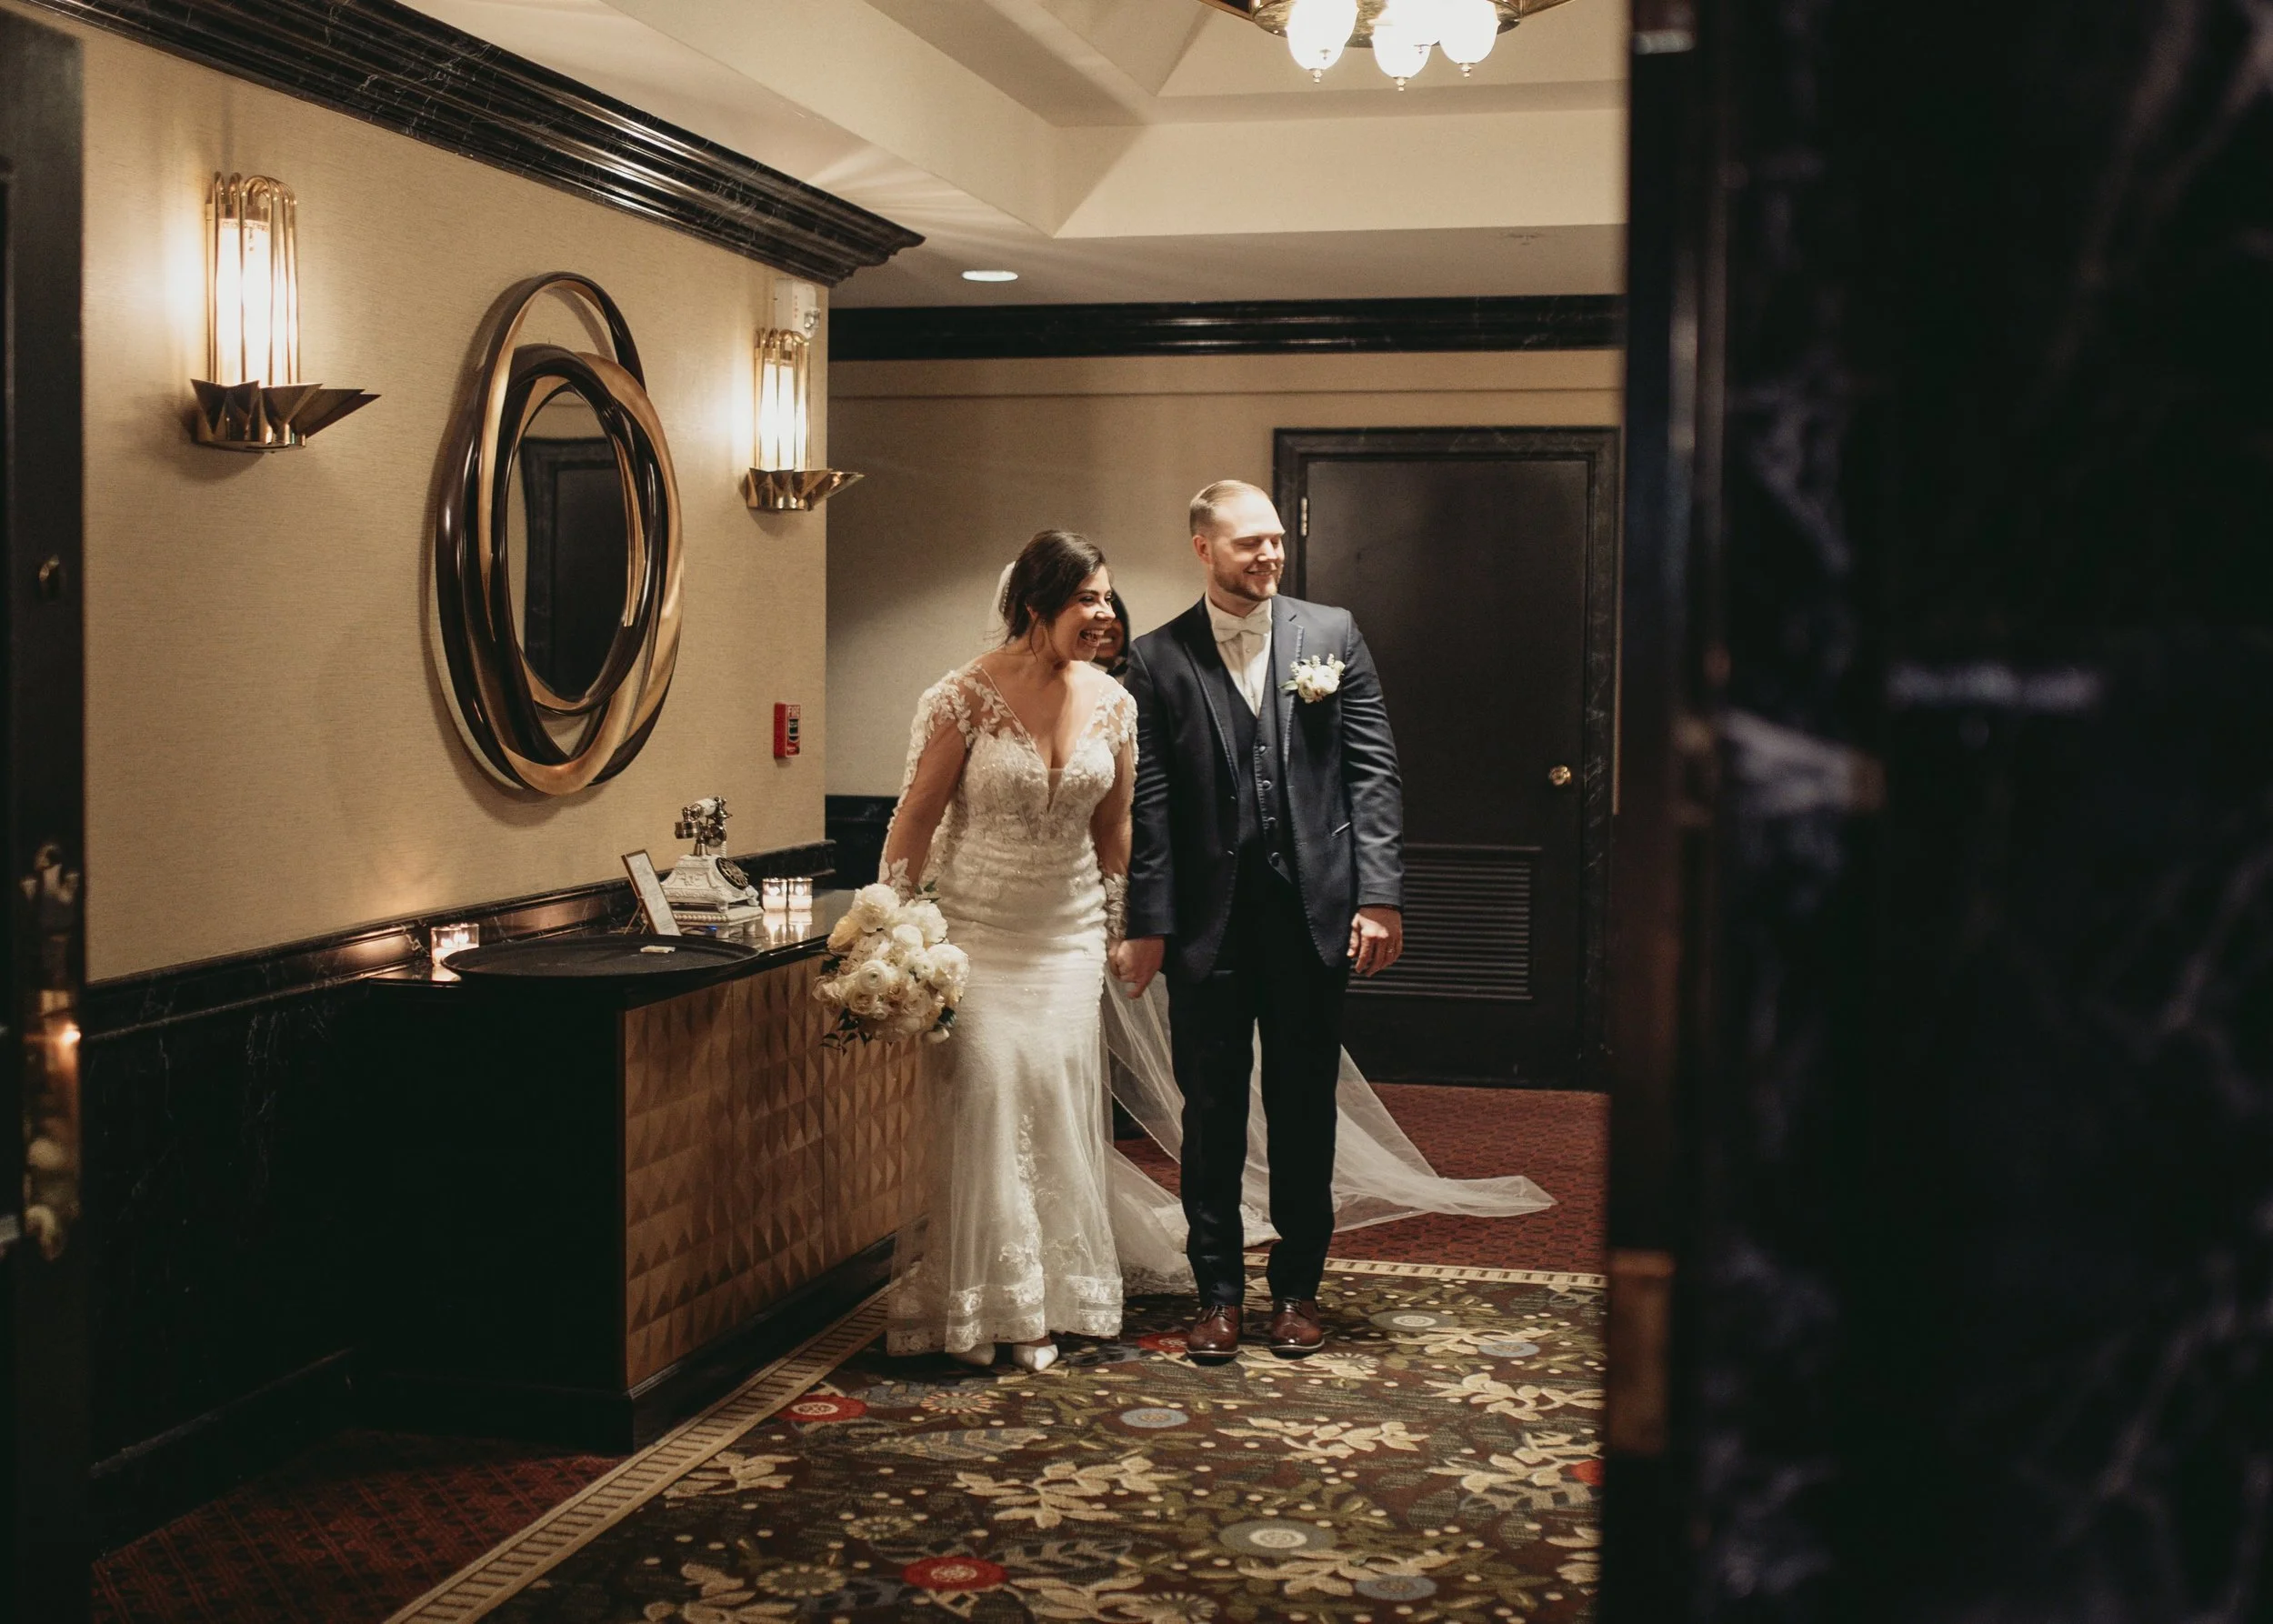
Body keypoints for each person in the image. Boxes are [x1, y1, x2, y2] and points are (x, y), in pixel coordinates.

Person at [1110, 479, 1519, 1362]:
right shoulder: (1155, 659)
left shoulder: (1330, 635)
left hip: (1313, 918)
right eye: (1247, 542)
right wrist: (1147, 920)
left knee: (1304, 1110)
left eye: (1274, 542)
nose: (1267, 555)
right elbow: (1149, 808)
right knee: (1210, 1117)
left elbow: (1372, 774)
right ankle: (1216, 1292)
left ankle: (1297, 1289)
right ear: (1202, 548)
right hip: (1204, 930)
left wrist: (1378, 895)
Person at [876, 531, 1133, 1371]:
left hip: (1068, 936)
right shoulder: (965, 696)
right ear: (1037, 605)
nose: (1104, 614)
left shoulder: (1115, 702)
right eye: (1087, 598)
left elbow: (1115, 825)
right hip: (979, 932)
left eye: (1106, 597)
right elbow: (917, 813)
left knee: (1056, 1105)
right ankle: (980, 1300)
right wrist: (897, 925)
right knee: (986, 1100)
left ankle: (1045, 1302)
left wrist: (1120, 926)